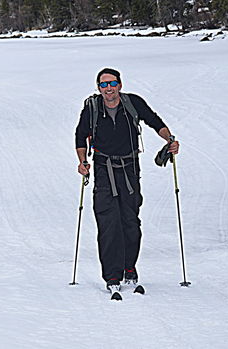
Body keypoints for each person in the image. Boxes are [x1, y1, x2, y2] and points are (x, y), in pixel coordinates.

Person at [74, 68, 179, 291]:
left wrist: (169, 139)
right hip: (103, 168)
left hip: (130, 167)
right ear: (98, 88)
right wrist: (83, 162)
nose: (108, 88)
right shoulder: (91, 108)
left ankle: (129, 267)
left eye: (112, 83)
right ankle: (112, 275)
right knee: (108, 221)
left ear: (120, 85)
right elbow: (80, 135)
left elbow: (154, 121)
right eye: (103, 85)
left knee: (130, 220)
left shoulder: (133, 103)